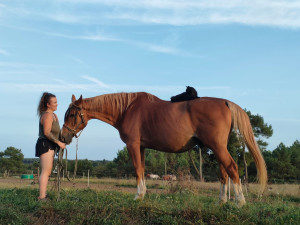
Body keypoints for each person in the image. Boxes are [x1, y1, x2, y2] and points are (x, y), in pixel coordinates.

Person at [35, 92, 66, 201]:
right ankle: (42, 197)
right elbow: (47, 133)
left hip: (50, 145)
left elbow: (56, 132)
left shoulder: (54, 116)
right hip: (45, 145)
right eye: (54, 102)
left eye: (57, 102)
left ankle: (43, 195)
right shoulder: (47, 115)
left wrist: (63, 140)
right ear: (48, 104)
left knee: (47, 171)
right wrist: (59, 143)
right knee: (46, 171)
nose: (57, 104)